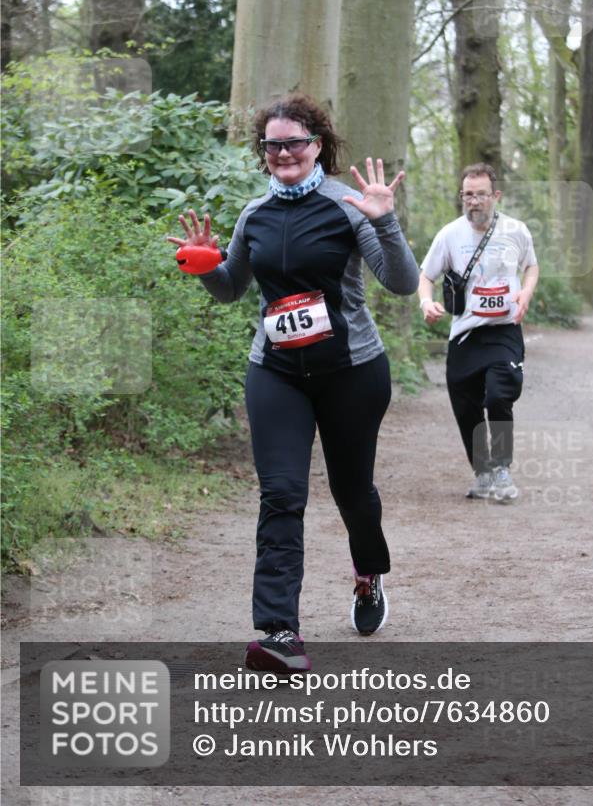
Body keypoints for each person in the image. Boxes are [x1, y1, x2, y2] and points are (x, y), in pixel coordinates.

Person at [167, 93, 418, 672]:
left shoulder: (351, 206)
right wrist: (203, 266)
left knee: (352, 493)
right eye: (273, 144)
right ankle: (280, 631)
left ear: (317, 147)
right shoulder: (255, 214)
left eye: (294, 142)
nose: (283, 153)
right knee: (282, 494)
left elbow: (401, 283)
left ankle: (367, 573)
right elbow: (232, 286)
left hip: (351, 371)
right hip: (276, 372)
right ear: (264, 153)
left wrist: (387, 219)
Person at [417, 163, 539, 503]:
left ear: (495, 196)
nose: (474, 201)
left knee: (499, 395)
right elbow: (426, 275)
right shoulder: (450, 235)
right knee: (466, 407)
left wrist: (525, 294)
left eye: (481, 194)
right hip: (465, 335)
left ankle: (502, 468)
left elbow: (531, 266)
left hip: (503, 330)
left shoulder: (516, 231)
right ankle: (483, 472)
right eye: (467, 195)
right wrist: (426, 303)